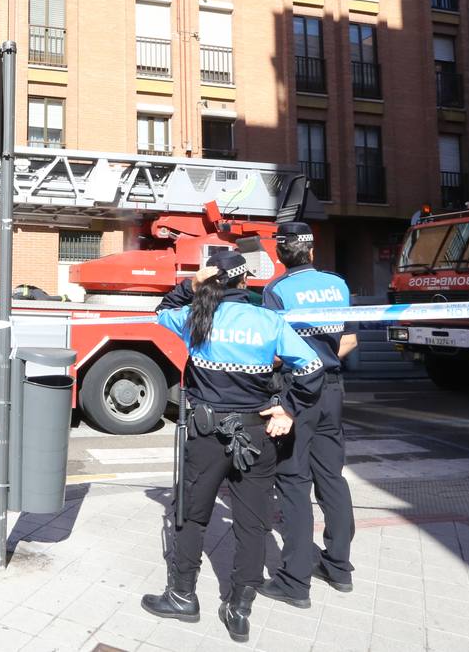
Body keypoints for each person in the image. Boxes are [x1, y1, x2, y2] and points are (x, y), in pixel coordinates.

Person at [141, 249, 324, 643]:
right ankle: (239, 609)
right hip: (258, 435)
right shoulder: (268, 321)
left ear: (212, 282)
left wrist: (190, 285)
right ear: (245, 281)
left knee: (192, 515)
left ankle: (182, 596)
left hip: (206, 436)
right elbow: (311, 368)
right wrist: (288, 412)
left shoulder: (197, 318)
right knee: (253, 523)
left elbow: (161, 310)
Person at [258, 221, 358, 608]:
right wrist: (324, 360)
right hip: (333, 388)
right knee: (331, 476)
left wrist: (301, 365)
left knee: (293, 481)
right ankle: (339, 567)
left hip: (297, 391)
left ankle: (295, 581)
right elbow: (350, 338)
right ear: (312, 250)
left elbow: (277, 351)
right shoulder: (338, 285)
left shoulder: (277, 291)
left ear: (281, 253)